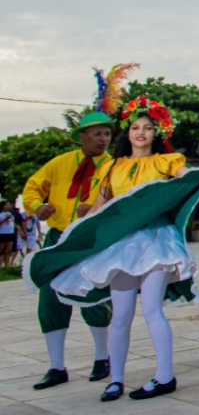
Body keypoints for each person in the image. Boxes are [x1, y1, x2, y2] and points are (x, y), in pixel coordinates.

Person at [31, 96, 199, 403]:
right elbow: (99, 211)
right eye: (136, 127)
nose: (141, 132)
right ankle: (115, 380)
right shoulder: (113, 167)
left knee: (152, 310)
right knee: (122, 315)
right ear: (127, 134)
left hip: (155, 242)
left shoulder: (167, 161)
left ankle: (165, 376)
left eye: (149, 127)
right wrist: (73, 237)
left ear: (158, 133)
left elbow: (189, 181)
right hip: (121, 247)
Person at [21, 102, 117, 391]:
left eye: (107, 134)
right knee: (50, 298)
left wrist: (100, 206)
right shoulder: (60, 163)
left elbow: (125, 197)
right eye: (97, 134)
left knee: (94, 296)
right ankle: (56, 366)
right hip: (58, 238)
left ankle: (103, 359)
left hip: (92, 239)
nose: (103, 139)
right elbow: (32, 187)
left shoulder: (116, 166)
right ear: (82, 137)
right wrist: (37, 207)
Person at [0, 200, 15, 268]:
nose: (9, 206)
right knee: (1, 251)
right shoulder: (1, 214)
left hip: (10, 233)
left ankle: (7, 266)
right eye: (7, 205)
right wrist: (5, 219)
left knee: (8, 251)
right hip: (2, 233)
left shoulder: (10, 214)